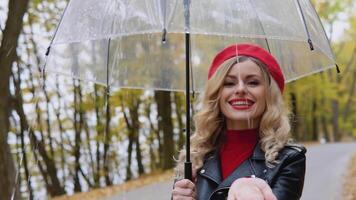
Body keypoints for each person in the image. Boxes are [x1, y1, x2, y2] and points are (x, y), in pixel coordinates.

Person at [171, 43, 306, 200]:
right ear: (217, 94)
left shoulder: (288, 160)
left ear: (269, 94)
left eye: (253, 82)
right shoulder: (195, 156)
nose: (240, 89)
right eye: (229, 83)